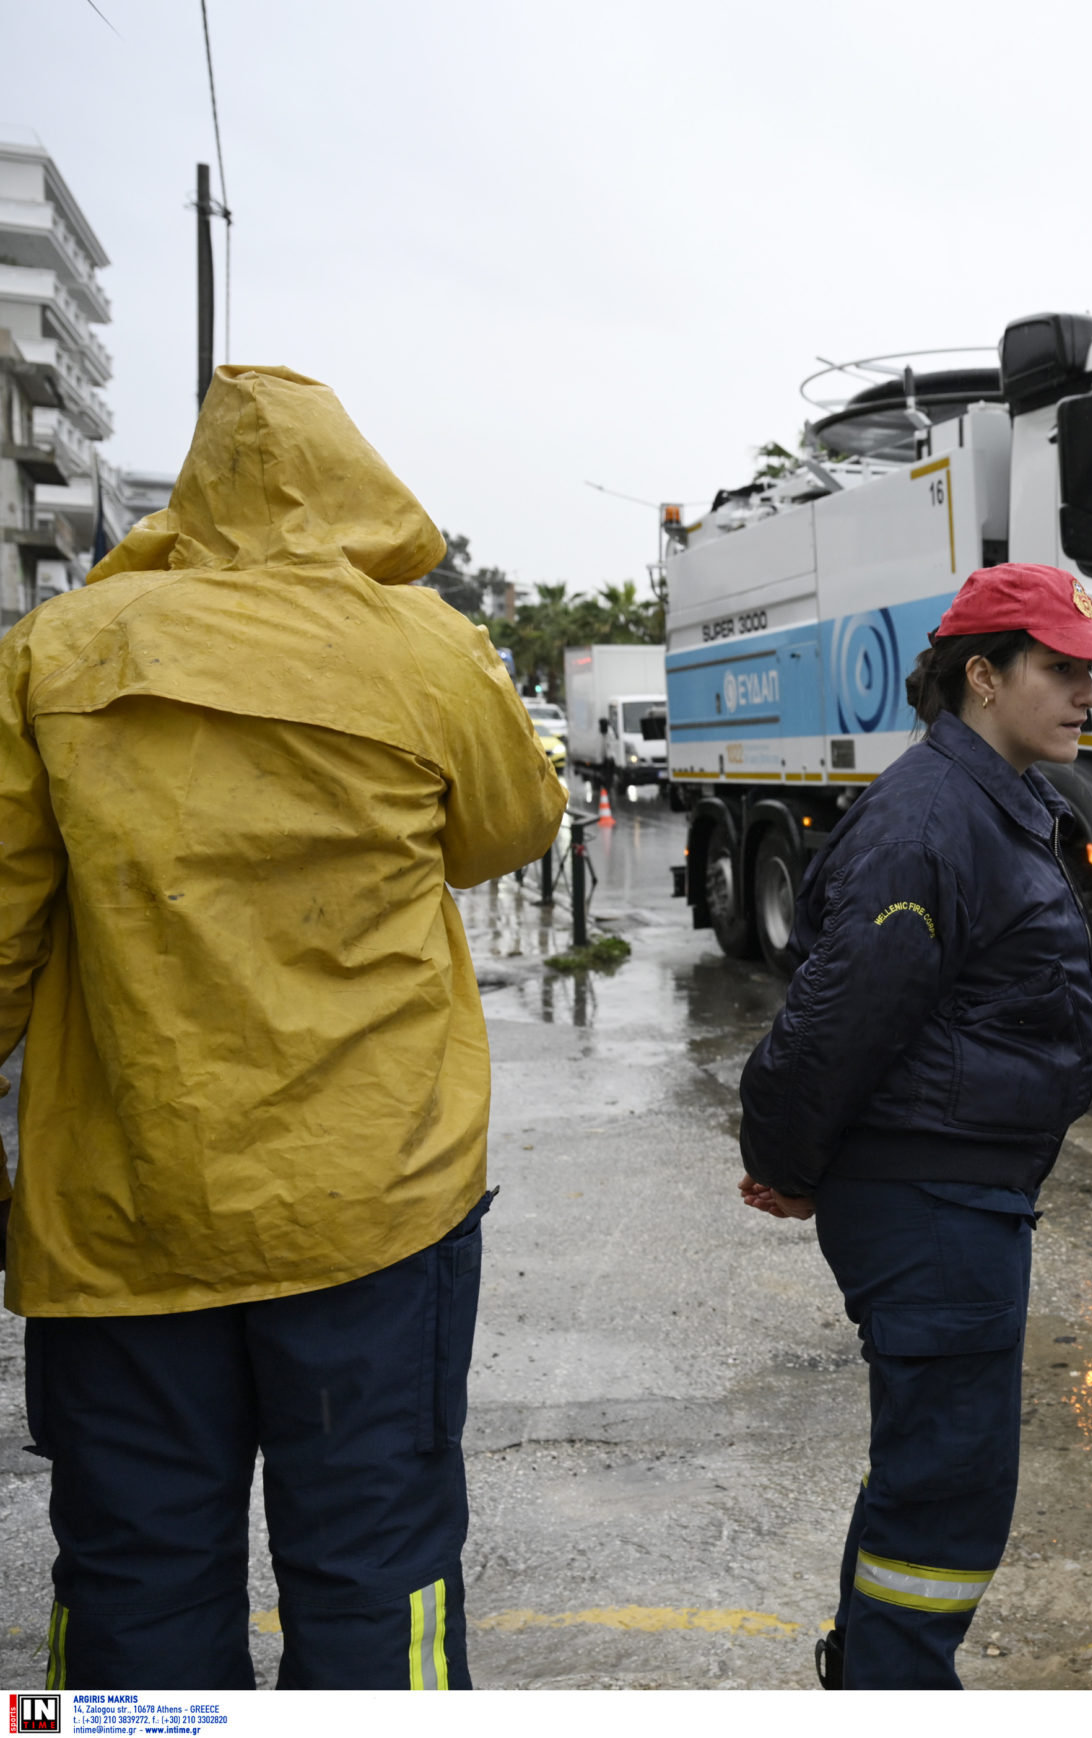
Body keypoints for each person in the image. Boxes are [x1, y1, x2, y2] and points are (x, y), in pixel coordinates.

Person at [0, 366, 564, 1690]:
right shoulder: (423, 646)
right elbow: (509, 829)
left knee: (135, 1575)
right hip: (372, 1206)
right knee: (377, 1569)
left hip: (119, 1221)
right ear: (354, 485)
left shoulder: (56, 650)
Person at [734, 563, 1092, 1690]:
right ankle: (895, 1683)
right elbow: (836, 1017)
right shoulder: (930, 816)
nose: (1086, 694)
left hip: (960, 1197)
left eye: (1088, 672)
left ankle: (880, 1669)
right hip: (930, 1202)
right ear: (982, 675)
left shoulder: (986, 802)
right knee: (947, 1488)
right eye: (1061, 669)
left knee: (937, 1472)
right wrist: (784, 1158)